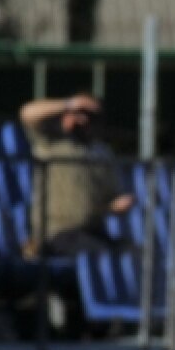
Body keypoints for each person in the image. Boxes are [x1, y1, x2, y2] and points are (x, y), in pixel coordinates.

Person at [18, 92, 134, 257]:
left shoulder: (102, 153)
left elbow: (111, 198)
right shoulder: (49, 144)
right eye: (77, 115)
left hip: (92, 230)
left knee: (135, 253)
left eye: (90, 116)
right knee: (100, 255)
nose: (83, 120)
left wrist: (115, 205)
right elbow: (27, 113)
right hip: (57, 233)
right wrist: (70, 102)